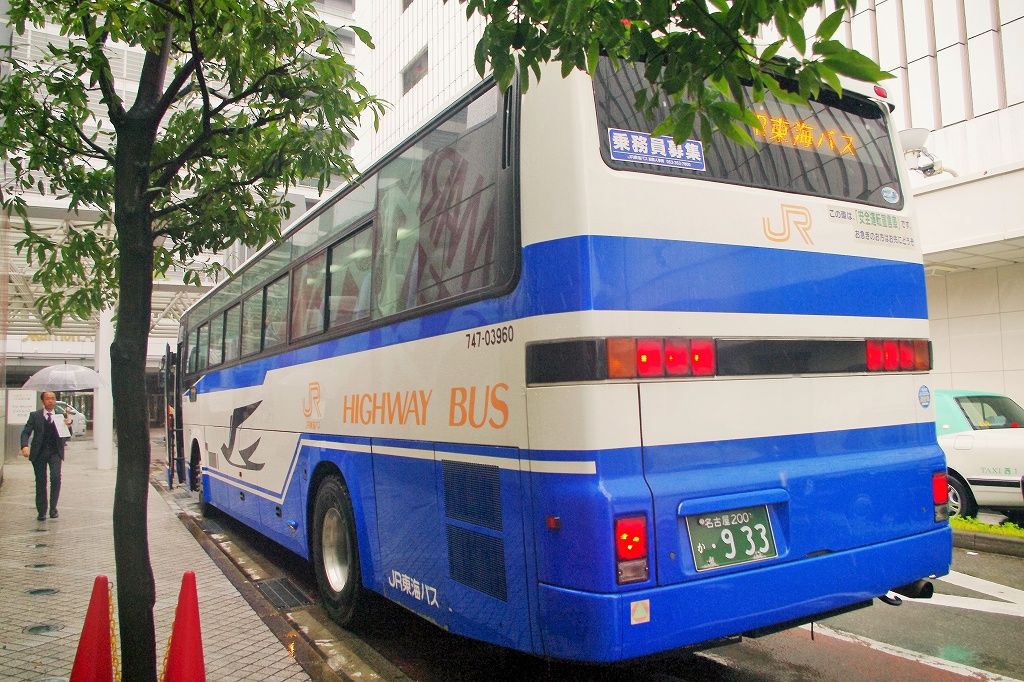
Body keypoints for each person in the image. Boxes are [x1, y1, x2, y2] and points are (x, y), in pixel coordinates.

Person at [20, 391, 73, 521]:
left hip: (55, 452)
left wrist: (68, 425)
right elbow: (26, 432)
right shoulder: (35, 416)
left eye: (53, 398)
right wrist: (24, 446)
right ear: (43, 401)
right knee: (40, 481)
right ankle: (41, 511)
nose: (51, 401)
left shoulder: (60, 416)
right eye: (48, 399)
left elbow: (67, 436)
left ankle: (53, 508)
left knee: (55, 478)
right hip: (39, 453)